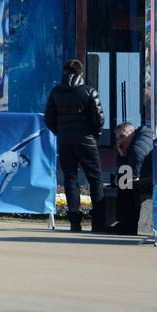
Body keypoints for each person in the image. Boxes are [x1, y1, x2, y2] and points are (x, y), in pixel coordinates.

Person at [44, 59, 104, 232]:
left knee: (70, 179)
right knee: (96, 179)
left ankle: (74, 222)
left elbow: (48, 119)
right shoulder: (89, 91)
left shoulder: (56, 92)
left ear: (64, 72)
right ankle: (98, 222)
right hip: (87, 141)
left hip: (65, 141)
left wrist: (60, 132)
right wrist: (94, 135)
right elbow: (99, 119)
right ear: (81, 73)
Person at [114, 122, 154, 235]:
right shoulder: (130, 144)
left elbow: (138, 155)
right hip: (149, 176)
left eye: (122, 136)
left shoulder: (142, 139)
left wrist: (134, 177)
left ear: (132, 132)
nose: (120, 141)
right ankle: (122, 223)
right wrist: (122, 155)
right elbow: (124, 170)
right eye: (117, 138)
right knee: (123, 183)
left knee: (132, 186)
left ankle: (129, 227)